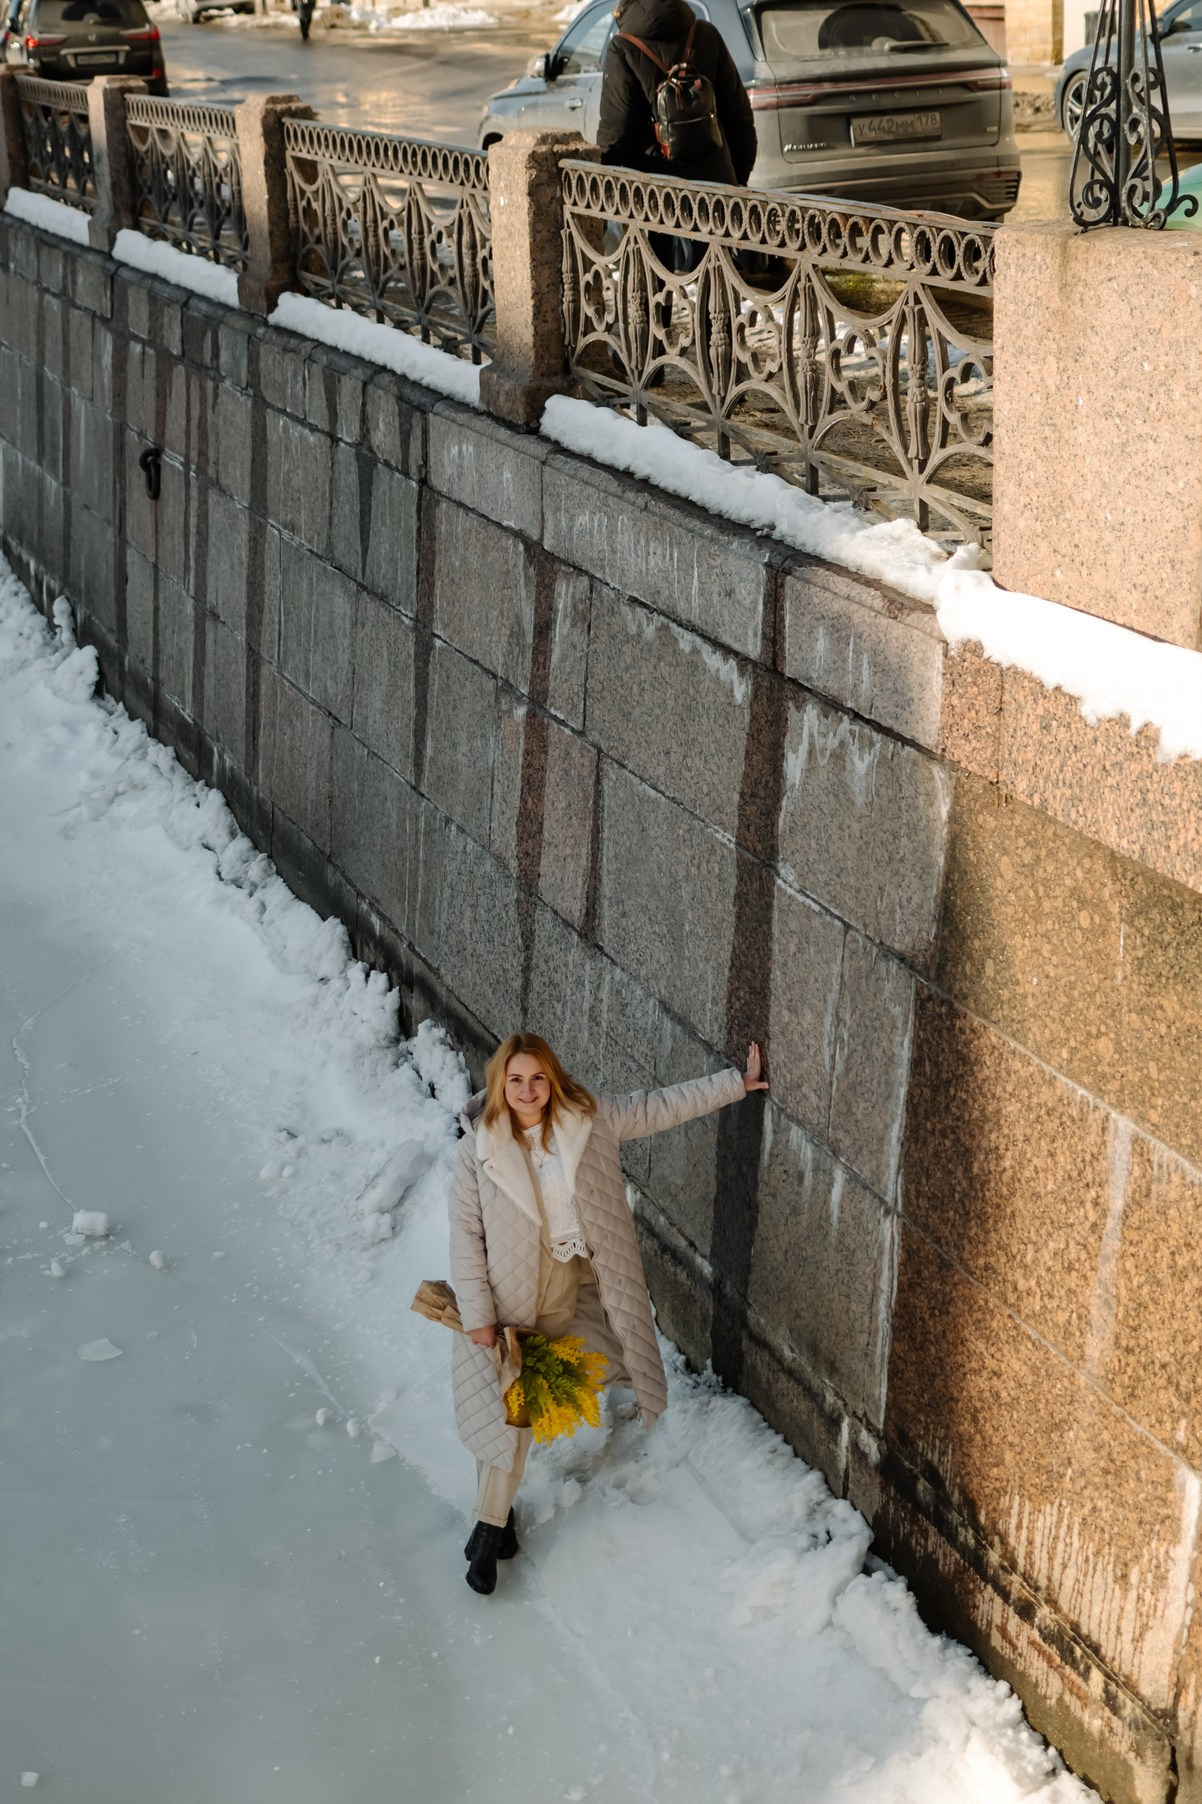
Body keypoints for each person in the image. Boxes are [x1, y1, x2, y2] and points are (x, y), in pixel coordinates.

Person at [448, 1030, 768, 1595]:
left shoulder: (588, 1120)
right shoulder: (477, 1150)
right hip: (508, 1306)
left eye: (537, 1078)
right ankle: (490, 1529)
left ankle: (494, 1529)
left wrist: (733, 1085)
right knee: (512, 1416)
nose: (527, 1090)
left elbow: (657, 1106)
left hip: (579, 1287)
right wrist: (477, 1314)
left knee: (529, 1405)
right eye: (515, 1080)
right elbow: (465, 1239)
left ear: (552, 1079)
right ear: (500, 1083)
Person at [597, 0, 757, 190]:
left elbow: (617, 128)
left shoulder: (623, 46)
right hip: (717, 184)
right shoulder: (707, 34)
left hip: (656, 189)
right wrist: (738, 176)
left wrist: (605, 181)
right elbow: (739, 115)